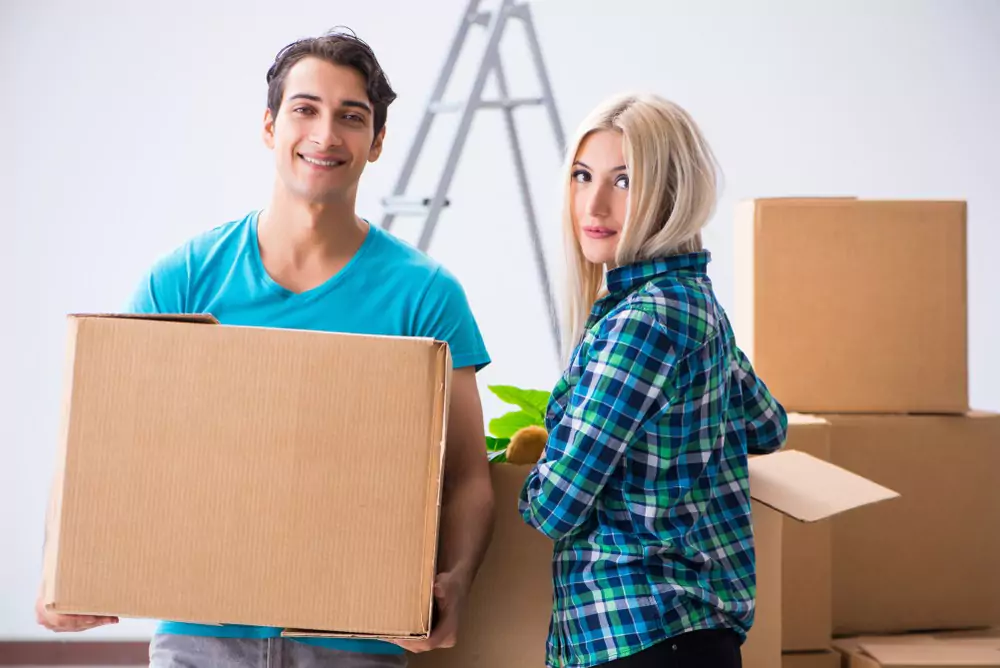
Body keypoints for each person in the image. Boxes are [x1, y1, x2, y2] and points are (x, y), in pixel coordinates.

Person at [35, 27, 496, 668]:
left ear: (378, 141)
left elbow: (469, 477)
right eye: (305, 109)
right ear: (269, 126)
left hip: (353, 643)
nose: (325, 135)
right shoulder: (184, 279)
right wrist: (59, 570)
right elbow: (102, 447)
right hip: (199, 640)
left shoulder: (425, 296)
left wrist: (459, 580)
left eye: (351, 117)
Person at [518, 92, 788, 668]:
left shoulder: (640, 322)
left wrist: (542, 462)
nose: (593, 203)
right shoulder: (697, 305)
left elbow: (555, 507)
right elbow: (769, 425)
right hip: (694, 637)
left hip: (637, 633)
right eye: (582, 176)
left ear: (670, 194)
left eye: (624, 181)